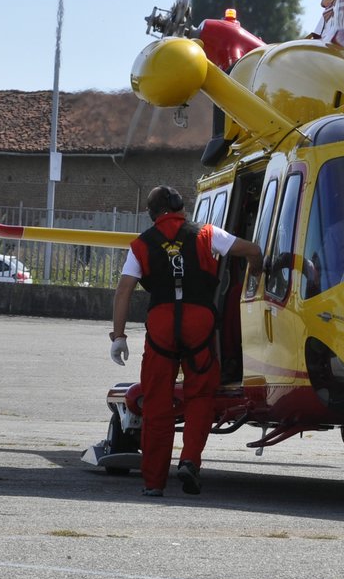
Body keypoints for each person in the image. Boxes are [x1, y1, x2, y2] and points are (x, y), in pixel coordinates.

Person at [110, 185, 261, 497]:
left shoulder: (140, 245)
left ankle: (153, 483)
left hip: (162, 323)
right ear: (180, 206)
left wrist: (119, 336)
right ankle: (190, 459)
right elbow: (252, 251)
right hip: (200, 322)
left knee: (156, 403)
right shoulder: (206, 233)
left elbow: (124, 290)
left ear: (152, 214)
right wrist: (256, 278)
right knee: (201, 395)